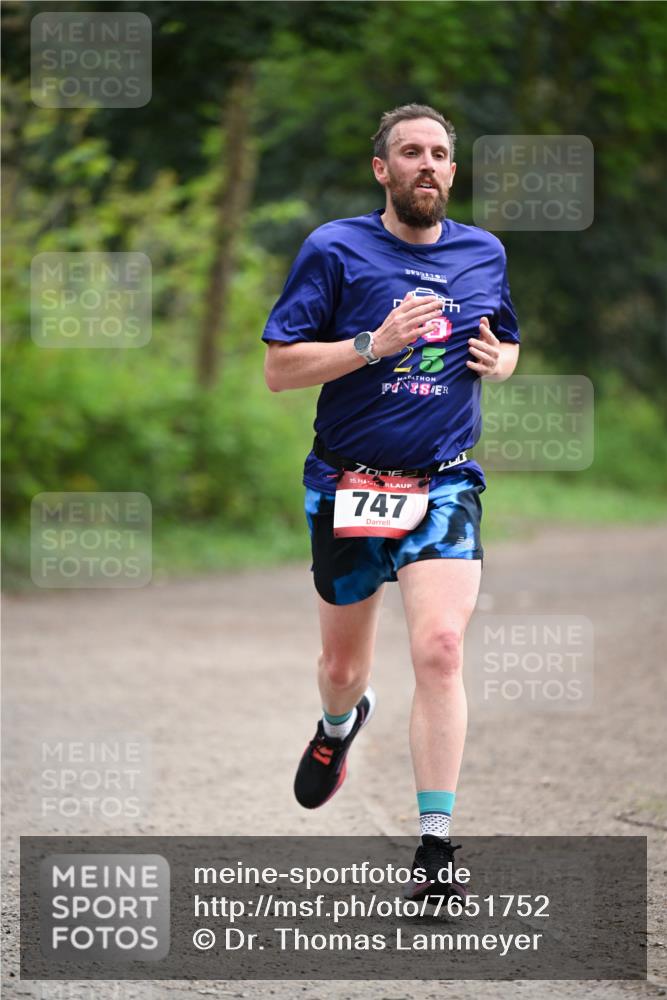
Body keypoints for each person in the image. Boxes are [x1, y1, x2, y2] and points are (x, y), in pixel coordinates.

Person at [262, 104, 520, 899]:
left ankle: (435, 847)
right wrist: (374, 344)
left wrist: (499, 361)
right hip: (346, 481)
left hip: (444, 482)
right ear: (382, 169)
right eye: (410, 151)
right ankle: (338, 724)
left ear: (452, 170)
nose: (427, 164)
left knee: (440, 648)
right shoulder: (333, 248)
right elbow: (279, 369)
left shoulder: (483, 251)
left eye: (439, 153)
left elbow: (506, 339)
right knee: (343, 667)